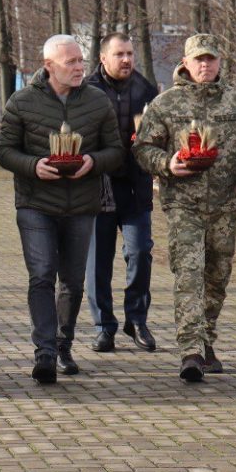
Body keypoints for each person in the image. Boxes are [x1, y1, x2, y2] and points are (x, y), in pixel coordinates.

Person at [133, 34, 236, 383]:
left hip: (226, 205)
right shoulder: (166, 105)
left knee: (216, 277)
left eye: (210, 59)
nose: (205, 65)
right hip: (184, 203)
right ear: (185, 62)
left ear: (219, 62)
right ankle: (191, 350)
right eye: (198, 59)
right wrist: (168, 164)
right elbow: (143, 148)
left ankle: (206, 339)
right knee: (189, 274)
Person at [0, 35, 125, 384]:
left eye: (81, 60)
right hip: (36, 203)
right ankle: (45, 353)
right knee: (41, 276)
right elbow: (4, 150)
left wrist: (92, 161)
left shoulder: (97, 102)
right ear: (49, 65)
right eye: (71, 62)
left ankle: (64, 343)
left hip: (82, 205)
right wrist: (32, 164)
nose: (80, 67)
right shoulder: (22, 102)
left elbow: (116, 150)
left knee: (72, 281)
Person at [83, 32, 160, 353]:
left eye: (130, 53)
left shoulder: (147, 91)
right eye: (120, 54)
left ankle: (137, 320)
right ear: (104, 58)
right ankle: (104, 326)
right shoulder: (86, 91)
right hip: (97, 188)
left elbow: (160, 136)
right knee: (97, 262)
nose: (127, 59)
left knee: (140, 253)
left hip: (135, 188)